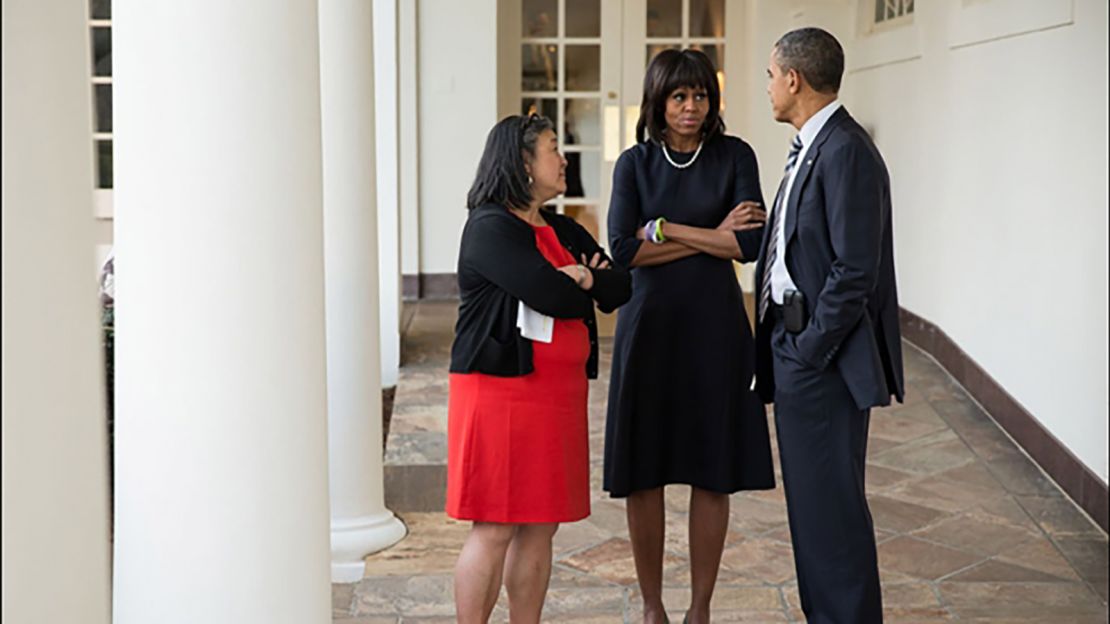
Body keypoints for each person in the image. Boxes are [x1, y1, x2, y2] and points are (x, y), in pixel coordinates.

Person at [604, 49, 775, 624]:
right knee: (644, 473)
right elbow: (625, 253)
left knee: (712, 469)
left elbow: (748, 247)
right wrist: (710, 233)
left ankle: (700, 608)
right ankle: (653, 607)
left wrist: (667, 230)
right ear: (658, 101)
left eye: (700, 95)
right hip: (647, 329)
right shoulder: (634, 164)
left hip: (715, 330)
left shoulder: (735, 156)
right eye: (679, 96)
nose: (691, 106)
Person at [447, 114, 631, 624]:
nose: (564, 157)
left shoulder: (563, 228)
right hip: (500, 395)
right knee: (495, 527)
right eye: (553, 148)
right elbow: (552, 296)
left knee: (541, 523)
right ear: (522, 162)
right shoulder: (489, 227)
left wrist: (588, 280)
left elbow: (620, 287)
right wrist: (576, 280)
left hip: (555, 395)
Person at [755, 27, 905, 623]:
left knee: (834, 519)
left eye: (770, 75)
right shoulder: (812, 146)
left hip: (822, 362)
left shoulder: (845, 151)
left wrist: (809, 349)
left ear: (794, 79)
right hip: (796, 351)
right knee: (812, 517)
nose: (767, 86)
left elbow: (854, 271)